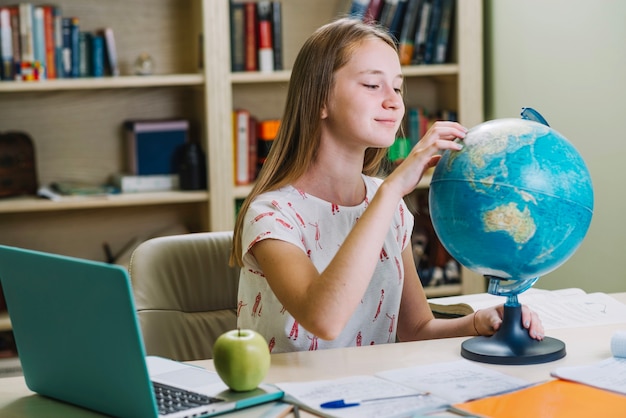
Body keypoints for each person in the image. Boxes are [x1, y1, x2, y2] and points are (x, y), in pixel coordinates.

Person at [229, 17, 544, 353]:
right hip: (292, 400)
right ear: (320, 99)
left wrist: (477, 322)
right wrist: (392, 189)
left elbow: (417, 329)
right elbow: (324, 320)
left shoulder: (384, 202)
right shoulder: (271, 215)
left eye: (397, 87)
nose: (394, 101)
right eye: (371, 85)